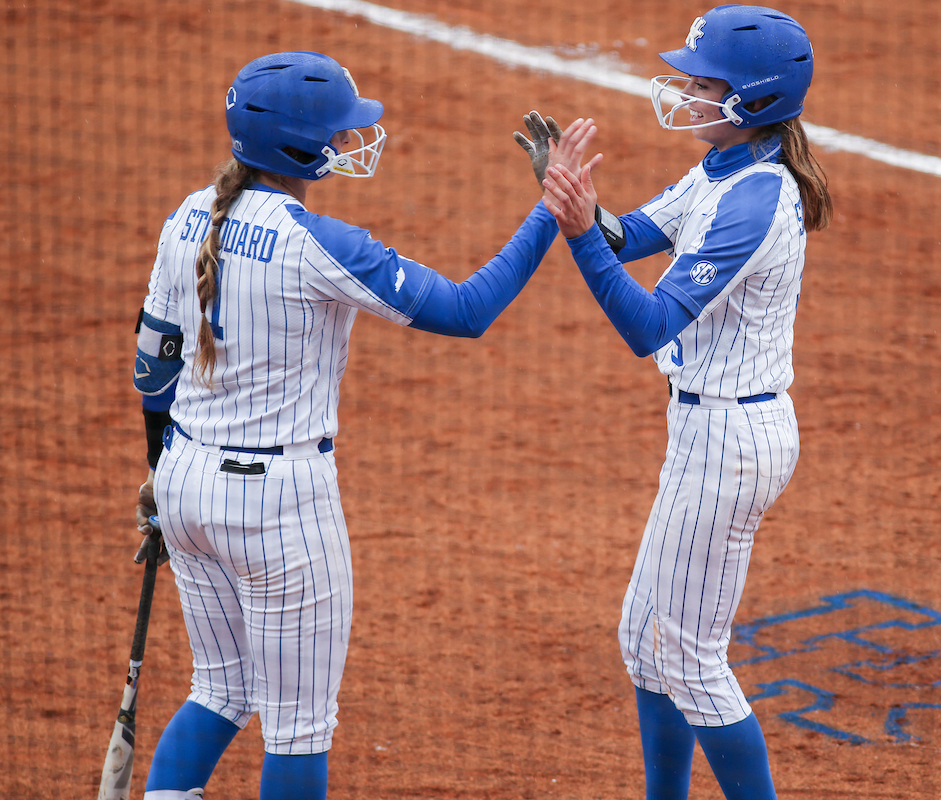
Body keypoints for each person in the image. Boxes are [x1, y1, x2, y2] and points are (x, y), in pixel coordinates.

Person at [130, 52, 582, 800]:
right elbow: (467, 310)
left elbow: (154, 365)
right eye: (338, 133)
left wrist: (157, 471)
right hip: (279, 512)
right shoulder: (322, 244)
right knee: (298, 730)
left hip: (184, 483)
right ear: (300, 149)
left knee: (219, 692)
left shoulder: (186, 217)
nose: (350, 142)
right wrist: (548, 207)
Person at [538, 6, 832, 799]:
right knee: (644, 641)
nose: (686, 92)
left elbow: (649, 323)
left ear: (756, 99)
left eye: (705, 83)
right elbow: (629, 234)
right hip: (706, 426)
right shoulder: (721, 166)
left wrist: (573, 235)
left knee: (690, 659)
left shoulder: (754, 200)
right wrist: (571, 196)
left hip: (732, 441)